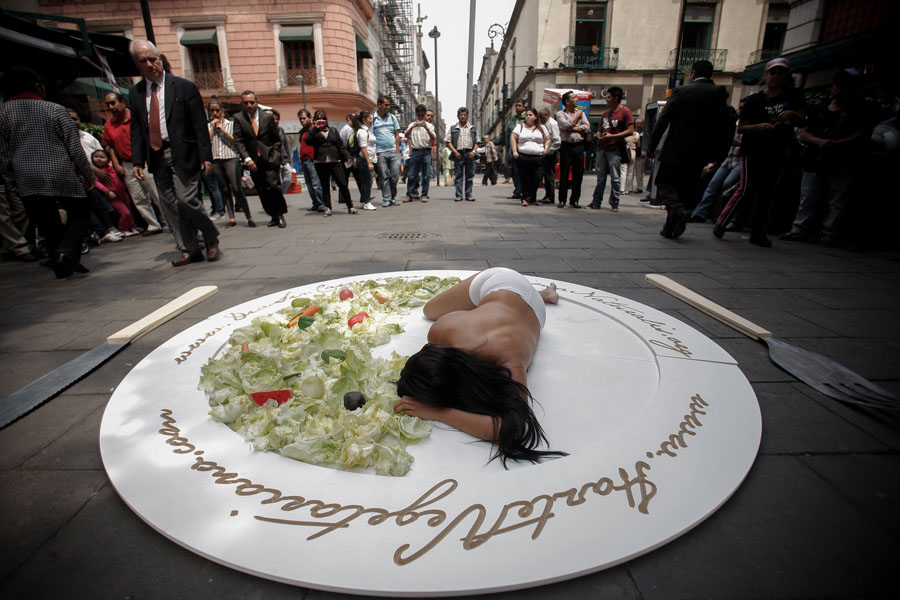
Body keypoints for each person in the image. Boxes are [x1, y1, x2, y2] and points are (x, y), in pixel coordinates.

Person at [393, 267, 566, 466]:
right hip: (516, 302)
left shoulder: (508, 358)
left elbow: (515, 428)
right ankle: (541, 294)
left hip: (502, 281)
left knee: (430, 311)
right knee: (430, 311)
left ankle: (539, 295)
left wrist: (438, 412)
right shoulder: (442, 331)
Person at [128, 40, 220, 267]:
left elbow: (199, 124)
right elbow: (138, 128)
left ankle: (210, 235)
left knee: (187, 199)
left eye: (153, 58)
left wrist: (205, 156)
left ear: (160, 58)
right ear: (137, 64)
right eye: (144, 61)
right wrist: (137, 159)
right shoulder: (136, 93)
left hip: (184, 152)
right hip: (156, 155)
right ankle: (190, 249)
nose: (150, 64)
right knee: (169, 205)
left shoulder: (184, 87)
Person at [0, 66, 94, 277]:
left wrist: (10, 180)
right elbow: (75, 148)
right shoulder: (55, 109)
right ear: (37, 86)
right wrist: (88, 175)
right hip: (59, 172)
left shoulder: (3, 114)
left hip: (27, 178)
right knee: (79, 211)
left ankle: (60, 265)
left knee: (46, 222)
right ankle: (67, 251)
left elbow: (3, 153)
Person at [713, 57, 805, 247]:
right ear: (766, 75)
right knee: (746, 188)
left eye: (781, 73)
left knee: (767, 192)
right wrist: (759, 127)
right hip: (753, 150)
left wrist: (792, 115)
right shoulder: (755, 100)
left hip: (777, 150)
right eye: (773, 72)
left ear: (786, 76)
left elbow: (803, 120)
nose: (777, 76)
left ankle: (758, 232)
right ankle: (722, 221)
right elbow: (742, 128)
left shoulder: (792, 97)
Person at [781, 69, 871, 247]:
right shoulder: (819, 110)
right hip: (815, 160)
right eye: (838, 85)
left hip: (843, 160)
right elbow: (804, 134)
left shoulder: (859, 111)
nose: (840, 90)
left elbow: (862, 133)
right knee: (809, 196)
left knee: (837, 198)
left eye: (845, 86)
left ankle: (829, 232)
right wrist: (822, 142)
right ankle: (800, 228)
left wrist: (838, 143)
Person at [645, 60, 732, 239]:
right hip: (701, 152)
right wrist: (719, 152)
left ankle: (678, 211)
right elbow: (725, 124)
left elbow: (663, 121)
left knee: (664, 183)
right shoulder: (719, 93)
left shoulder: (682, 91)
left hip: (676, 148)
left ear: (692, 73)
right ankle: (671, 228)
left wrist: (651, 146)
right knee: (684, 188)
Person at [102, 91, 164, 236]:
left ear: (122, 102)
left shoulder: (136, 118)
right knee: (138, 198)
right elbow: (109, 146)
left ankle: (171, 221)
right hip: (127, 165)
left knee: (157, 193)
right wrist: (116, 164)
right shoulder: (109, 125)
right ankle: (153, 224)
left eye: (113, 103)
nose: (111, 107)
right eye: (108, 104)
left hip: (144, 162)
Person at [232, 90, 288, 228]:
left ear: (257, 102)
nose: (250, 105)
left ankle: (280, 214)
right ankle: (273, 215)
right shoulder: (239, 118)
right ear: (242, 104)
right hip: (253, 162)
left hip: (269, 158)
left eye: (252, 102)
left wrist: (276, 156)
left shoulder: (267, 117)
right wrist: (247, 159)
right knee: (262, 189)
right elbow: (238, 141)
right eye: (246, 103)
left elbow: (276, 139)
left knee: (274, 186)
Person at [691, 99, 746, 223]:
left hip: (740, 162)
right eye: (740, 108)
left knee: (728, 184)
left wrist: (738, 143)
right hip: (727, 160)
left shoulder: (750, 126)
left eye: (744, 108)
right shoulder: (735, 124)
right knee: (713, 184)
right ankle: (700, 213)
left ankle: (724, 216)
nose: (741, 110)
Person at [208, 98, 254, 228]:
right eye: (212, 111)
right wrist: (212, 129)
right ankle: (231, 217)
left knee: (237, 188)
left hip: (231, 158)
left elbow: (237, 141)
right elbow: (207, 142)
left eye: (217, 110)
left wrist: (222, 130)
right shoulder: (208, 125)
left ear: (222, 111)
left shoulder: (231, 124)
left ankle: (248, 216)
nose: (215, 113)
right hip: (217, 159)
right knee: (224, 189)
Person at [590, 86, 634, 211]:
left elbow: (630, 130)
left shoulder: (626, 111)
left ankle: (614, 201)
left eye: (608, 97)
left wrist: (612, 136)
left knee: (615, 177)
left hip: (614, 148)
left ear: (616, 98)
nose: (606, 99)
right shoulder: (605, 113)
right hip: (602, 148)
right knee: (600, 177)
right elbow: (599, 130)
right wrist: (599, 136)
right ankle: (596, 201)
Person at [305, 109, 355, 216]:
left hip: (335, 161)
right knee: (325, 186)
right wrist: (315, 129)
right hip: (320, 162)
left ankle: (350, 206)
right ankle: (328, 207)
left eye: (323, 118)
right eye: (318, 119)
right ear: (314, 120)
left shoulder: (333, 130)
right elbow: (307, 141)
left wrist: (347, 156)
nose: (321, 120)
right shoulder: (313, 132)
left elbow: (340, 145)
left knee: (342, 184)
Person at [555, 91, 591, 208]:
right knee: (564, 173)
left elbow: (587, 127)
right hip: (566, 146)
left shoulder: (581, 113)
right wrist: (576, 118)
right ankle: (562, 199)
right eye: (574, 98)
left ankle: (574, 199)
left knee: (578, 174)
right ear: (567, 101)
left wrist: (573, 127)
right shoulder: (561, 114)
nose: (576, 100)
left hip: (579, 146)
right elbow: (565, 126)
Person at [91, 149, 138, 235]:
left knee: (129, 211)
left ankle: (132, 227)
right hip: (112, 196)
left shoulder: (111, 168)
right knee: (125, 213)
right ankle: (122, 229)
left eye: (102, 157)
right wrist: (107, 191)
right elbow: (96, 182)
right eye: (96, 157)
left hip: (122, 193)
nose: (99, 159)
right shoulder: (96, 172)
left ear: (108, 159)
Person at [510, 107, 550, 206]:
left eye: (530, 115)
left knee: (536, 178)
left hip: (538, 157)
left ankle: (533, 198)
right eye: (527, 115)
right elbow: (513, 137)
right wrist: (515, 151)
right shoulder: (520, 127)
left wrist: (546, 149)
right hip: (523, 156)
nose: (528, 117)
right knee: (524, 178)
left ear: (535, 117)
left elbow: (548, 139)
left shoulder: (542, 128)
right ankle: (525, 198)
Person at [445, 106, 479, 202]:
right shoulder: (453, 128)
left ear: (467, 116)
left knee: (469, 176)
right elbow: (448, 141)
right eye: (461, 115)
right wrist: (455, 152)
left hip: (469, 154)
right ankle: (459, 195)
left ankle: (469, 195)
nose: (463, 116)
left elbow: (477, 142)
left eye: (464, 115)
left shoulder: (473, 128)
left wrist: (473, 152)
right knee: (458, 176)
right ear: (458, 116)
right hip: (458, 154)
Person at [373, 95, 402, 207]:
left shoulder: (392, 118)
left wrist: (398, 149)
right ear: (379, 105)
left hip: (394, 151)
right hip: (380, 152)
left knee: (395, 175)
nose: (388, 107)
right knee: (384, 176)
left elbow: (397, 134)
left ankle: (393, 197)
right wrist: (375, 153)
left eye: (389, 105)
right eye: (386, 105)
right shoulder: (373, 118)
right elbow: (370, 136)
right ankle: (387, 198)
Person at [403, 104, 435, 202]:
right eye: (419, 115)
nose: (420, 117)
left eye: (422, 115)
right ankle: (410, 194)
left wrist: (426, 128)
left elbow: (433, 137)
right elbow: (406, 134)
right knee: (412, 174)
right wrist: (413, 127)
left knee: (426, 175)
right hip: (416, 152)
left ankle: (424, 194)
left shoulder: (430, 126)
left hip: (426, 151)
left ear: (425, 115)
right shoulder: (412, 125)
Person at [297, 108, 325, 212]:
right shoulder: (303, 132)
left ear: (309, 118)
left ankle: (321, 203)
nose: (302, 121)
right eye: (300, 119)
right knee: (309, 184)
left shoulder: (314, 129)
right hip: (304, 160)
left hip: (312, 160)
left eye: (304, 118)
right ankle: (316, 203)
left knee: (316, 183)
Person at [353, 110, 377, 211]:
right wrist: (369, 162)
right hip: (364, 160)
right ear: (364, 120)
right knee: (368, 181)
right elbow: (363, 148)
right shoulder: (362, 132)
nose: (371, 120)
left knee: (365, 181)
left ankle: (363, 201)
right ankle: (367, 202)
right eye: (370, 118)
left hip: (369, 159)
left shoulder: (368, 130)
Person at [538, 108, 561, 204]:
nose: (539, 118)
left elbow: (557, 140)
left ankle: (550, 196)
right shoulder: (546, 124)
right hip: (548, 152)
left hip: (551, 153)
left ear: (546, 115)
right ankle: (548, 195)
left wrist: (548, 151)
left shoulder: (552, 124)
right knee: (546, 175)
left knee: (549, 175)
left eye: (541, 116)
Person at [505, 99, 526, 200]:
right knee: (513, 170)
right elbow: (508, 134)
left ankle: (523, 191)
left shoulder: (527, 118)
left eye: (520, 105)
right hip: (512, 147)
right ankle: (517, 191)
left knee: (522, 170)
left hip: (523, 146)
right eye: (516, 106)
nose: (518, 107)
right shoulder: (512, 120)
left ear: (524, 107)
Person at [270, 109, 293, 194]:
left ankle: (281, 194)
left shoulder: (281, 130)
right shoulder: (267, 131)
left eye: (277, 119)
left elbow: (285, 145)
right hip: (275, 160)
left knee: (288, 178)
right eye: (274, 119)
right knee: (277, 181)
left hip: (285, 159)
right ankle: (278, 197)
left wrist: (290, 159)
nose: (276, 121)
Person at [426, 109, 438, 187]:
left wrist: (433, 155)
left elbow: (433, 142)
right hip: (416, 152)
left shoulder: (432, 127)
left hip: (427, 153)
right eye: (428, 115)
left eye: (432, 116)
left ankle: (424, 193)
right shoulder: (416, 124)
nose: (430, 117)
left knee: (426, 173)